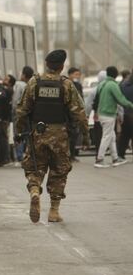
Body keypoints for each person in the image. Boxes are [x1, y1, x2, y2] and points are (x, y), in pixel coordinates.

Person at [16, 50, 89, 224]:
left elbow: (22, 110)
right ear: (62, 66)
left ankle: (34, 189)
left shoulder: (34, 82)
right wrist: (86, 135)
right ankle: (54, 211)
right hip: (60, 136)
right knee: (59, 171)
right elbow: (79, 112)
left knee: (34, 167)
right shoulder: (66, 85)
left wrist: (19, 131)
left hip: (37, 134)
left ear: (47, 64)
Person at [93, 66, 133, 168]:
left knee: (112, 137)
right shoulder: (112, 85)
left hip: (102, 113)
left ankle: (115, 158)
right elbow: (121, 99)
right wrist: (131, 105)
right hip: (108, 114)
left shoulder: (102, 84)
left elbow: (96, 99)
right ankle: (99, 159)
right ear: (116, 74)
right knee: (107, 137)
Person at [67, 67, 84, 161]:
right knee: (68, 135)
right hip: (68, 113)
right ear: (70, 74)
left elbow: (81, 98)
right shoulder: (66, 84)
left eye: (78, 74)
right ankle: (68, 156)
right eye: (76, 74)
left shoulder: (78, 85)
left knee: (75, 134)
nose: (77, 76)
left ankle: (72, 155)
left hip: (76, 113)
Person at [117, 72, 133, 160]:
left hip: (125, 113)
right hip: (128, 112)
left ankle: (121, 154)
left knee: (125, 135)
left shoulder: (122, 85)